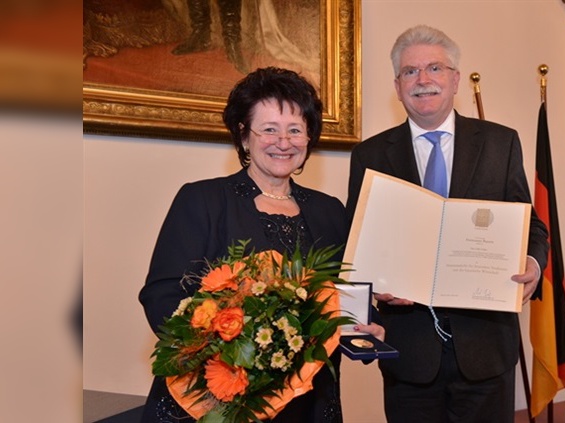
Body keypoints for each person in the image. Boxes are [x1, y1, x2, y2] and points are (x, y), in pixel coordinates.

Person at [139, 67, 383, 422]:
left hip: (308, 405)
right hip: (217, 400)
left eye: (295, 130)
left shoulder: (329, 211)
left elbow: (342, 295)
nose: (283, 142)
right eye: (269, 129)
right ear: (243, 135)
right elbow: (162, 297)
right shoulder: (202, 200)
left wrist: (366, 323)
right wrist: (236, 346)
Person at [345, 25, 550, 422]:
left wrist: (534, 263)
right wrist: (374, 290)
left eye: (435, 68)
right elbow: (356, 247)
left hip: (486, 348)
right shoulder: (369, 155)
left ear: (455, 79)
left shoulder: (500, 143)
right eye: (410, 72)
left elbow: (532, 226)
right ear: (397, 84)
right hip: (408, 353)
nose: (423, 80)